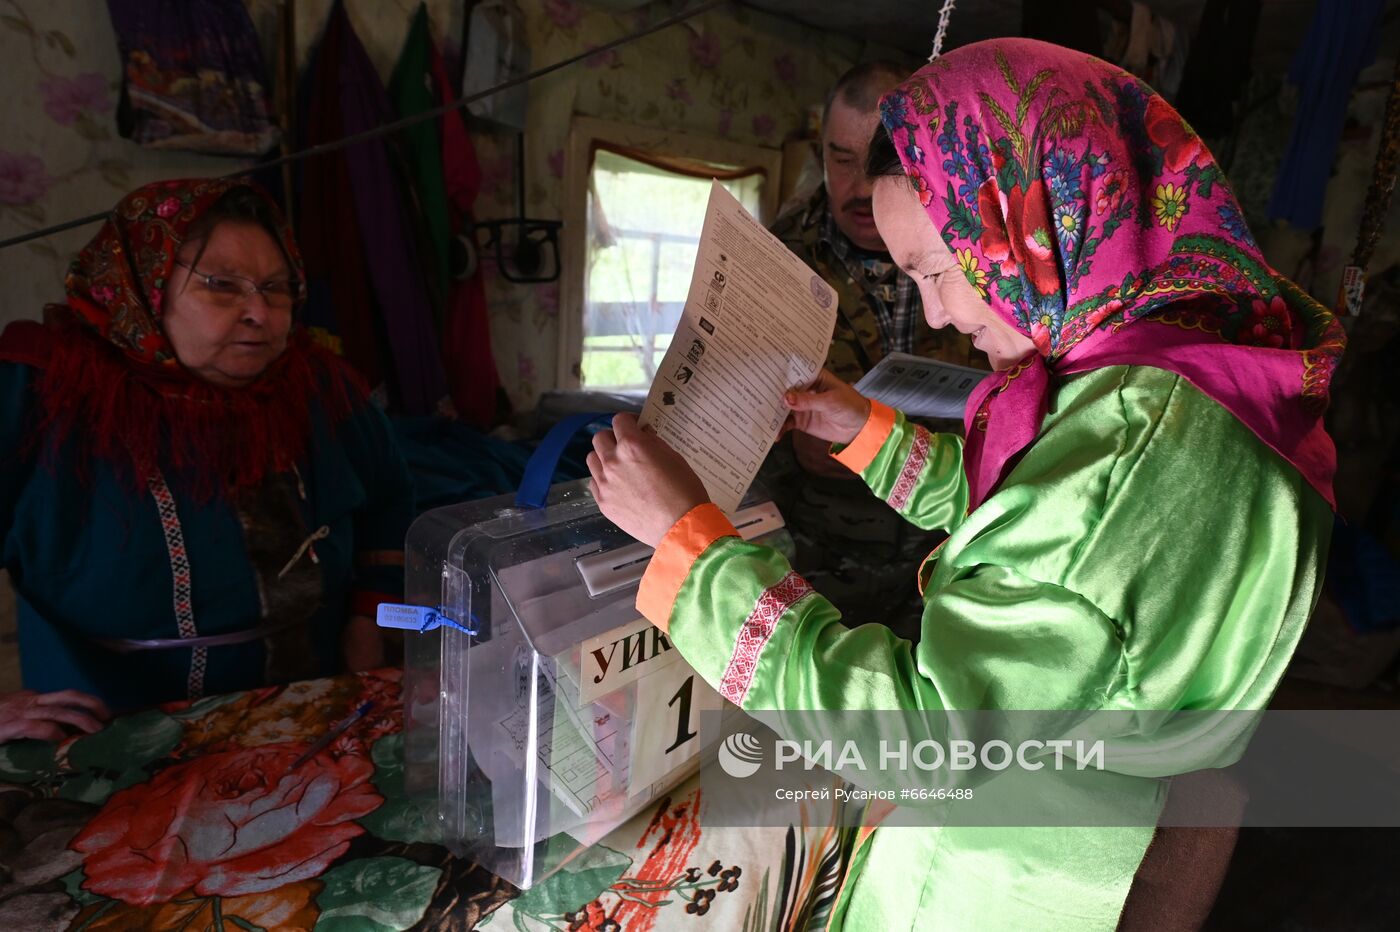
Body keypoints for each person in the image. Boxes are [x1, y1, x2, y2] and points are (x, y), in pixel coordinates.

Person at [586, 38, 1342, 929]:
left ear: (1031, 223)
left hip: (1010, 877)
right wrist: (868, 434)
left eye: (939, 271)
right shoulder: (1175, 372)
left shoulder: (1126, 452)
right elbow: (1024, 531)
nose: (940, 311)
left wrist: (694, 547)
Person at [0, 178, 414, 732]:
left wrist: (371, 614)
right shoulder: (38, 394)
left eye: (276, 287)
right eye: (222, 286)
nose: (260, 314)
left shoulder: (320, 389)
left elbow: (389, 500)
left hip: (314, 708)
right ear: (140, 284)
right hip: (107, 727)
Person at [765, 60, 983, 632]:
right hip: (825, 555)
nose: (861, 188)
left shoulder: (974, 242)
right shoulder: (774, 257)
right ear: (820, 153)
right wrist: (788, 448)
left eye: (883, 162)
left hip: (951, 550)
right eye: (842, 161)